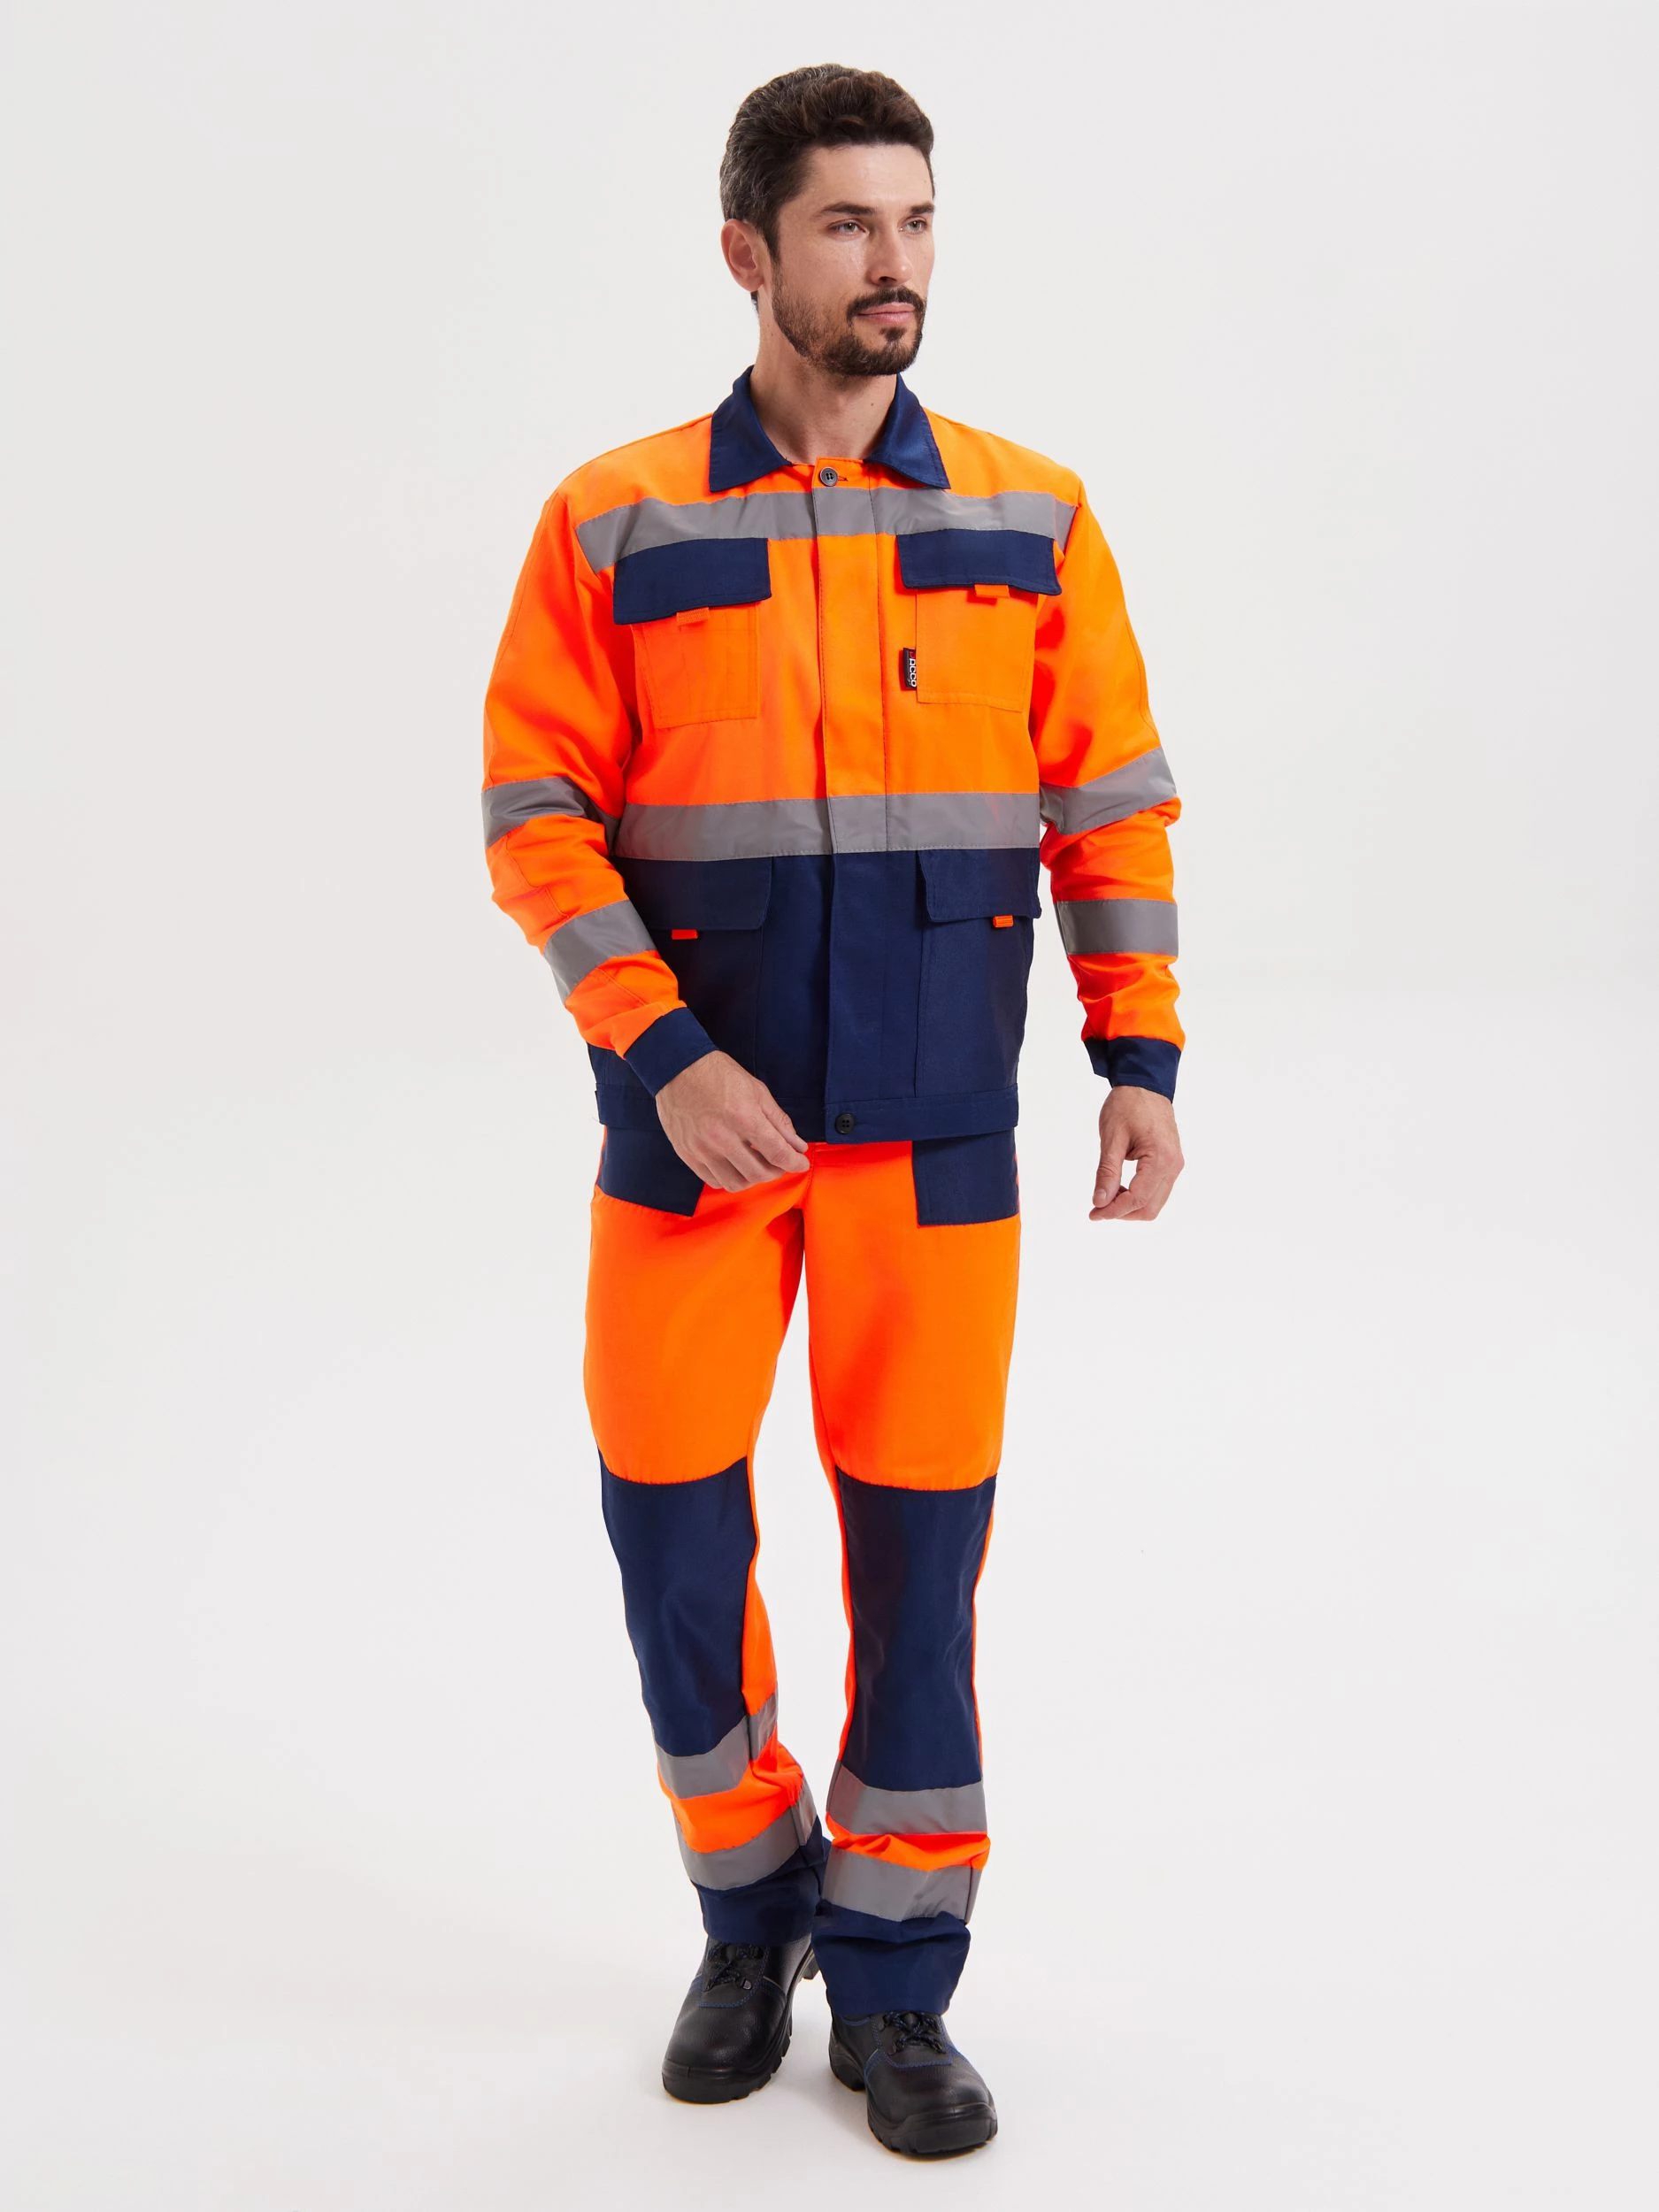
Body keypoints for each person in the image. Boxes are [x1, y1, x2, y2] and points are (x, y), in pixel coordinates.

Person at [481, 62, 1184, 2160]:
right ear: (748, 253)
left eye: (917, 220)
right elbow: (536, 815)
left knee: (917, 1563)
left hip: (937, 1139)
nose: (896, 264)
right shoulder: (615, 517)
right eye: (848, 225)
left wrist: (1137, 1053)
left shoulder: (1032, 514)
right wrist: (662, 1052)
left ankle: (893, 1978)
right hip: (690, 1140)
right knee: (671, 1532)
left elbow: (1108, 801)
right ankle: (747, 1902)